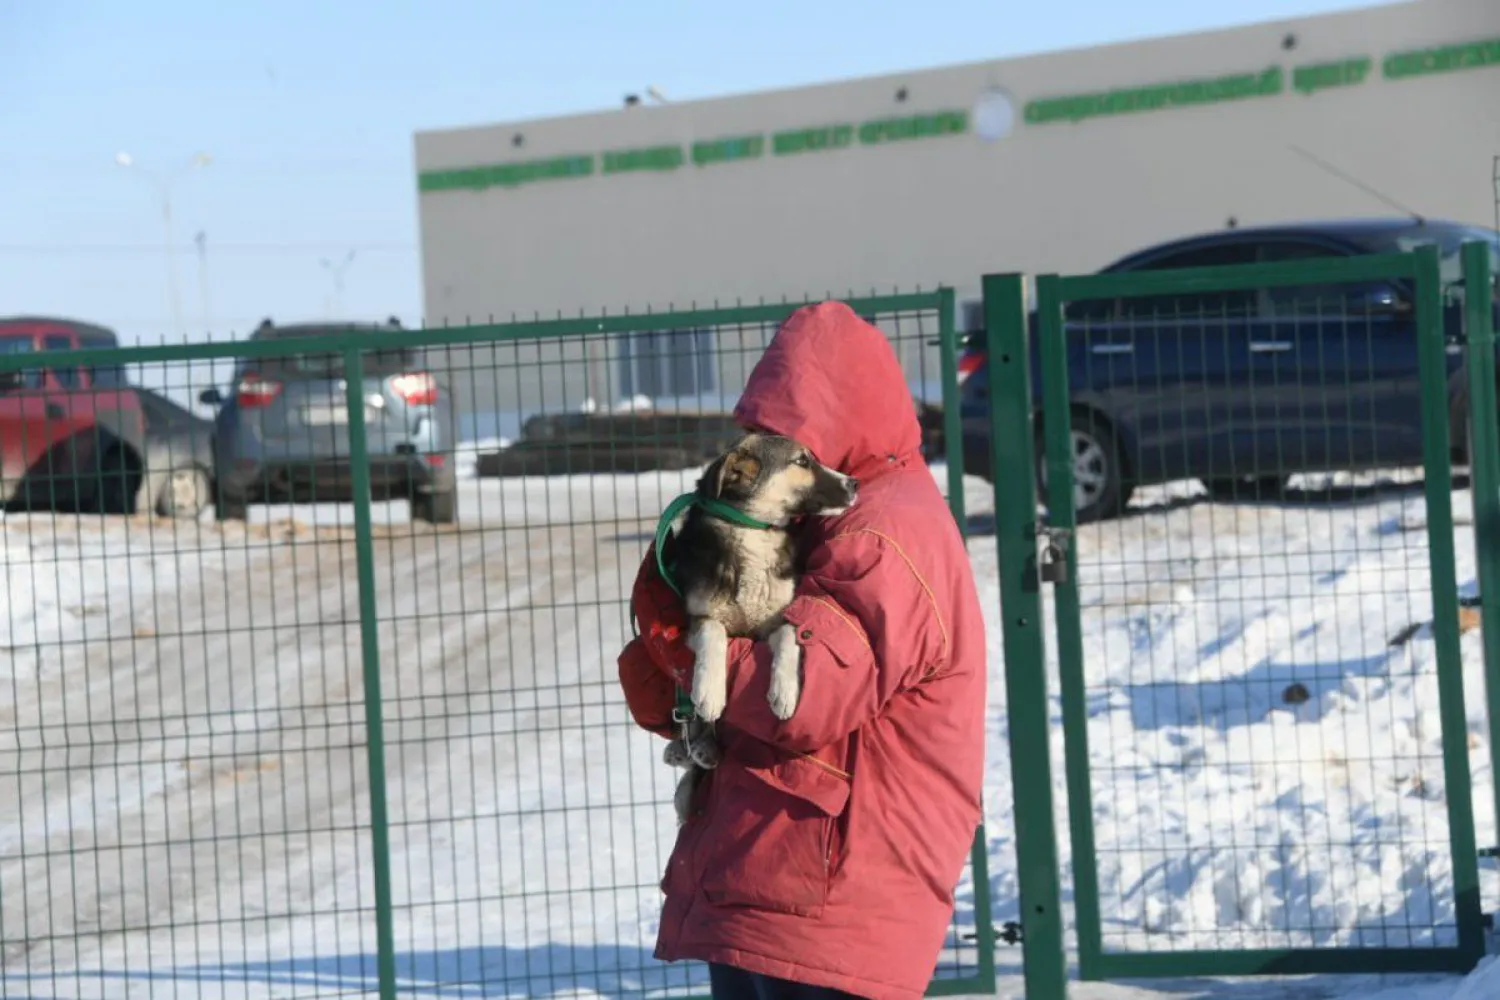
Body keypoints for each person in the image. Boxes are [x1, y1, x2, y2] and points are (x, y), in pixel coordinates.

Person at [616, 301, 986, 1000]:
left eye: (786, 435)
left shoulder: (879, 535)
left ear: (838, 422)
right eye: (759, 430)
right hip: (782, 878)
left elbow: (806, 699)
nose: (759, 450)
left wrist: (679, 641)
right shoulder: (829, 520)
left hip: (828, 894)